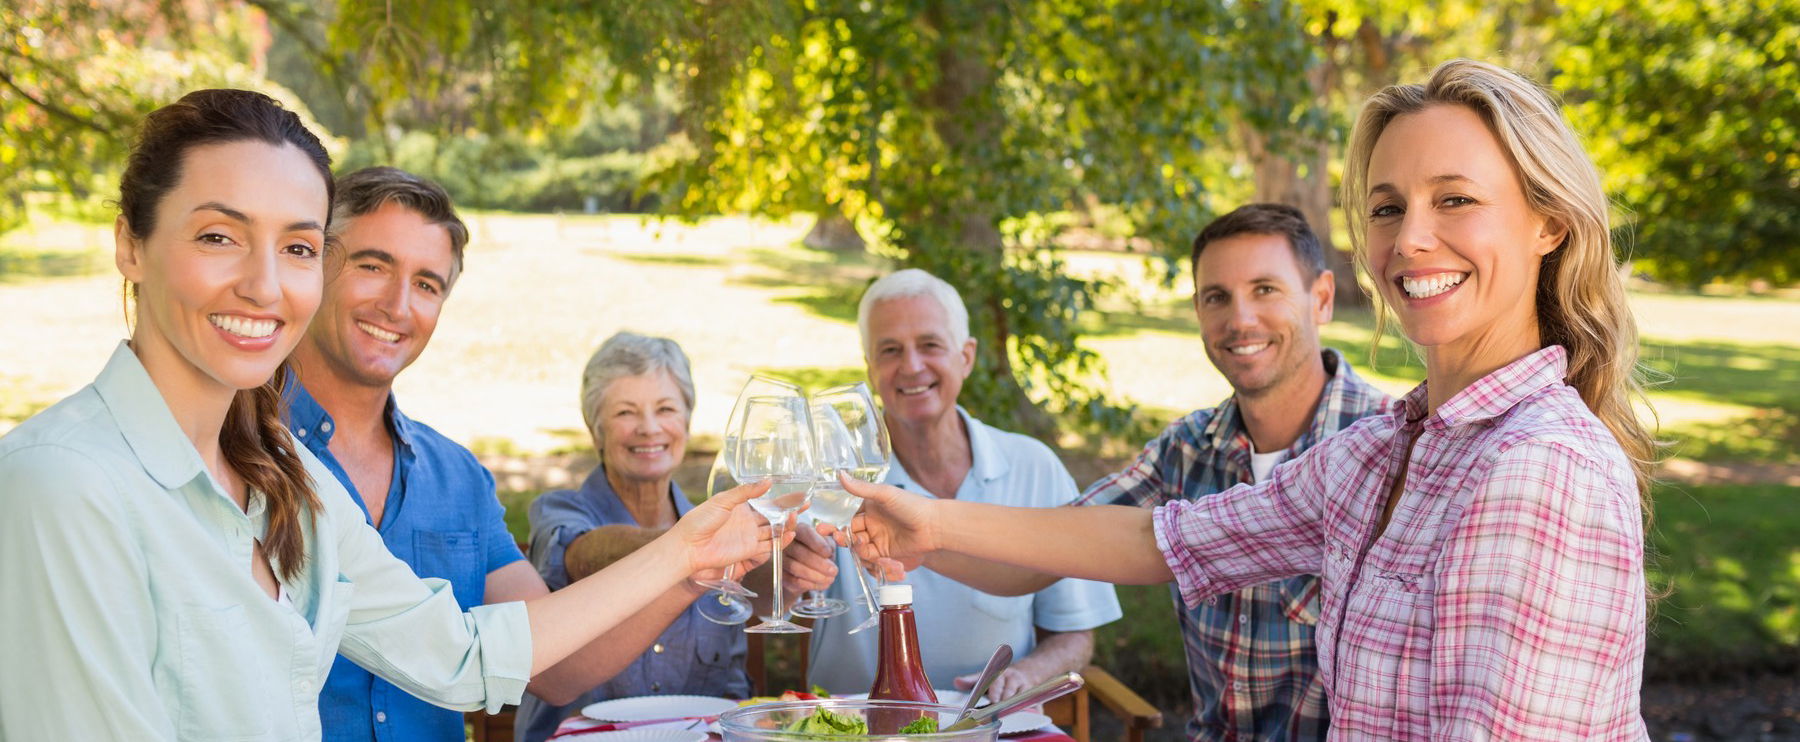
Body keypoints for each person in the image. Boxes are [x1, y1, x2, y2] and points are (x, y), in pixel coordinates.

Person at [835, 59, 1656, 740]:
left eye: (1456, 199)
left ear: (1548, 222)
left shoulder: (1540, 466)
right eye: (1385, 207)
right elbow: (1168, 541)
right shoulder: (1385, 452)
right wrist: (931, 525)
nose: (1409, 239)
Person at [0, 89, 777, 741]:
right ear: (130, 246)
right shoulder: (64, 486)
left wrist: (691, 551)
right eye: (218, 236)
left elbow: (463, 656)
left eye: (298, 248)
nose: (265, 286)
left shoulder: (280, 474)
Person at [286, 167, 712, 741]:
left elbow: (556, 667)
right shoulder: (242, 452)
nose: (397, 304)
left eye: (427, 284)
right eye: (372, 265)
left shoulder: (459, 480)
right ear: (314, 265)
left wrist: (696, 568)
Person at [1068, 203, 1390, 741]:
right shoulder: (1187, 449)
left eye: (1265, 289)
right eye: (1217, 297)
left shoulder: (1391, 451)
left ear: (1323, 299)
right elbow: (1064, 535)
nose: (1239, 319)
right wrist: (922, 527)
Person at [790, 269, 1123, 702]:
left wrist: (1027, 674)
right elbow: (766, 597)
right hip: (851, 729)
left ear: (966, 356)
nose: (911, 366)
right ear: (870, 368)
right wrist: (782, 570)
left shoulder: (1034, 467)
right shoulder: (833, 475)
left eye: (930, 345)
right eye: (890, 350)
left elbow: (1075, 632)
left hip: (986, 724)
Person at [513, 332, 751, 741]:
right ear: (596, 429)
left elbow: (732, 686)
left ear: (687, 423)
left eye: (665, 409)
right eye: (626, 412)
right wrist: (689, 548)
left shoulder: (716, 528)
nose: (649, 428)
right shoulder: (559, 511)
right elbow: (581, 554)